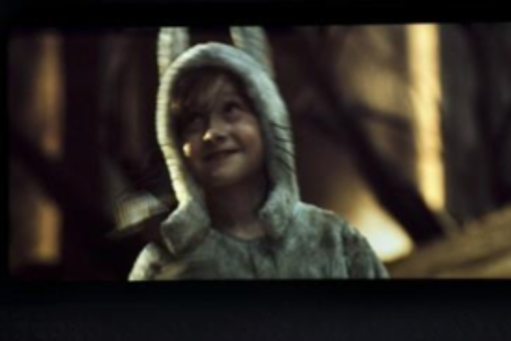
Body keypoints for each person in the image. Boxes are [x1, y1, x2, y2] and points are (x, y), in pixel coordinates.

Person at [129, 36, 388, 280]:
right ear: (175, 146)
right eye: (193, 122)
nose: (212, 133)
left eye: (231, 109)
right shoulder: (159, 264)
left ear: (267, 121)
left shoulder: (334, 241)